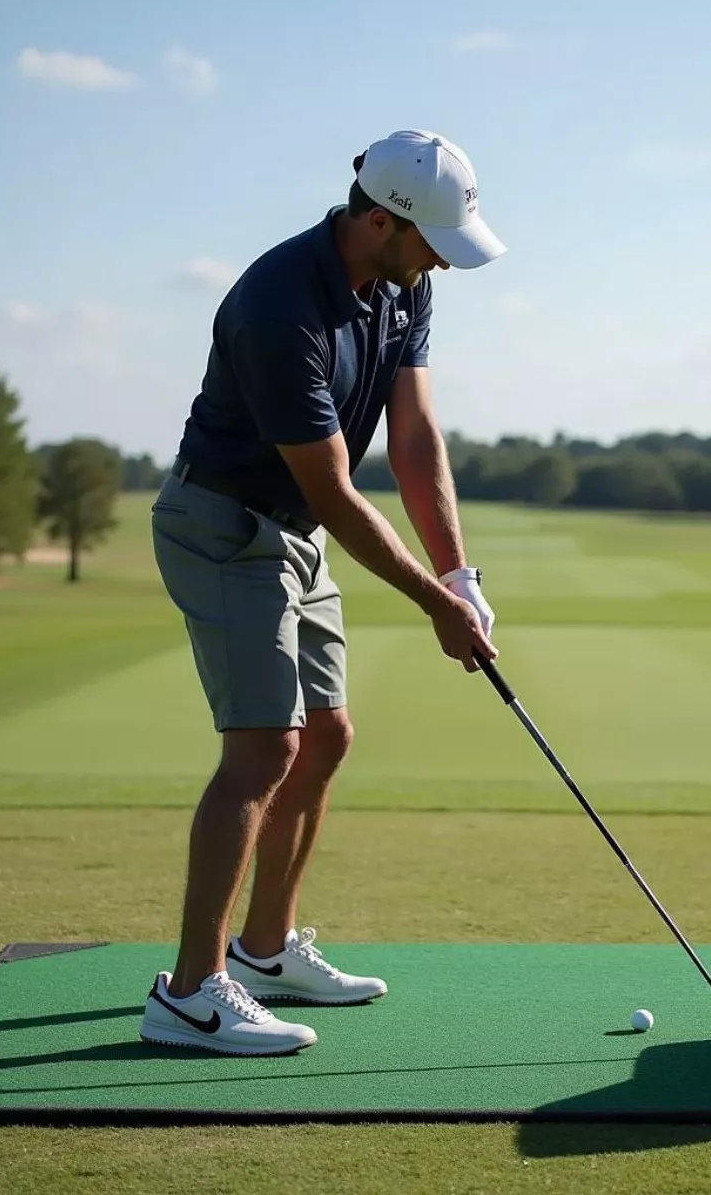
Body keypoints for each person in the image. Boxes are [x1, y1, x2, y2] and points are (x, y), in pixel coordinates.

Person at [140, 129, 505, 1055]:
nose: (440, 266)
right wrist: (435, 608)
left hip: (291, 532)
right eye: (429, 242)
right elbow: (336, 490)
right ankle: (190, 991)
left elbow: (415, 439)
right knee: (264, 749)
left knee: (327, 735)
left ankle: (265, 951)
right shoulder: (278, 308)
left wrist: (459, 574)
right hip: (223, 525)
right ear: (377, 220)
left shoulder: (403, 282)